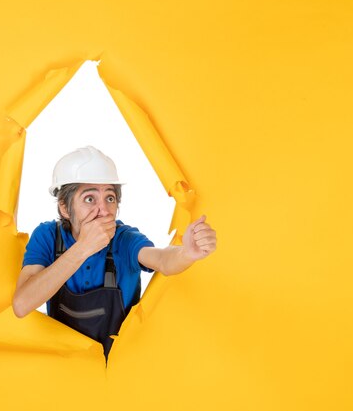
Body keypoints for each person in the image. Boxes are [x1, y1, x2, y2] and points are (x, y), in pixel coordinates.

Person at [12, 146, 217, 360]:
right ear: (64, 207)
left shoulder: (124, 239)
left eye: (110, 198)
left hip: (118, 370)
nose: (103, 210)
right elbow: (22, 304)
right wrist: (83, 248)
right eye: (90, 199)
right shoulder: (47, 236)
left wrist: (188, 253)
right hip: (63, 367)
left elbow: (163, 260)